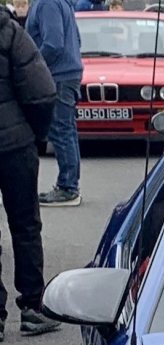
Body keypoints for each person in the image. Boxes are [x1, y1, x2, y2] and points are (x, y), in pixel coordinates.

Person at [0, 2, 59, 338]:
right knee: (24, 225)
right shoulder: (12, 34)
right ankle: (33, 308)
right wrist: (35, 134)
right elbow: (41, 93)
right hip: (15, 147)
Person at [25, 0, 81, 207]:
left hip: (58, 75)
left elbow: (53, 44)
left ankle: (68, 188)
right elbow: (76, 39)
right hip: (68, 73)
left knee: (61, 130)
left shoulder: (47, 3)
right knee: (66, 130)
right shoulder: (61, 2)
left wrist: (30, 63)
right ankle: (69, 184)